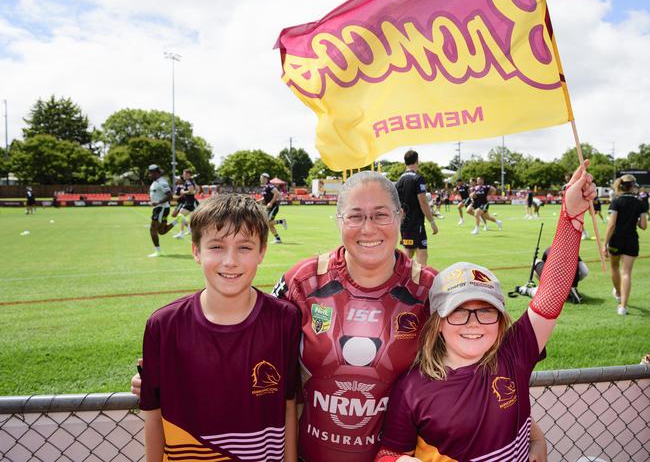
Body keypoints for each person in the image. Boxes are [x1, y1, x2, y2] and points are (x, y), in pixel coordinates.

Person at [132, 171, 548, 462]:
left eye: (381, 214)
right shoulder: (300, 281)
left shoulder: (430, 290)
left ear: (400, 217)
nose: (369, 227)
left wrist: (526, 432)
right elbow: (252, 337)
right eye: (355, 215)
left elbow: (486, 365)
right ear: (338, 221)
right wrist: (169, 373)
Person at [374, 163, 595, 462]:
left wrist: (571, 215)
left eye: (485, 311)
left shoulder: (513, 353)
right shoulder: (412, 387)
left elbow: (551, 295)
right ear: (437, 323)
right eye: (459, 312)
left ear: (501, 319)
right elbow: (389, 452)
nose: (473, 324)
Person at [139, 194, 301, 462]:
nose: (230, 261)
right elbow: (153, 416)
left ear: (262, 252)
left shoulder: (285, 320)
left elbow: (289, 405)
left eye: (245, 248)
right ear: (196, 251)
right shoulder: (163, 326)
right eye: (216, 246)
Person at [603, 174, 648, 315]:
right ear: (633, 186)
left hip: (616, 240)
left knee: (614, 268)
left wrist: (604, 244)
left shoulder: (616, 202)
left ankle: (618, 293)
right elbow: (643, 226)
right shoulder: (640, 203)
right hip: (631, 240)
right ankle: (623, 306)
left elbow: (611, 225)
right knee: (626, 273)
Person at [395, 150, 438, 266]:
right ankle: (419, 282)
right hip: (416, 223)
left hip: (404, 223)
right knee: (421, 255)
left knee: (409, 253)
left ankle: (403, 280)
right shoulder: (418, 178)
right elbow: (423, 202)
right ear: (417, 160)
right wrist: (432, 222)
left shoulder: (399, 180)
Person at [147, 164, 176, 257]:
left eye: (150, 173)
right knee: (162, 231)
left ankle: (158, 251)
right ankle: (178, 220)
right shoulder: (155, 182)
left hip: (161, 208)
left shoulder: (162, 182)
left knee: (152, 229)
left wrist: (158, 203)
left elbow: (170, 196)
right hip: (159, 208)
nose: (149, 175)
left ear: (156, 173)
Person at [259, 172, 287, 244]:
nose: (260, 179)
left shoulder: (270, 186)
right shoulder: (265, 187)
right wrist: (256, 201)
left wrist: (271, 203)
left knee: (267, 223)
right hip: (269, 208)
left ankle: (281, 221)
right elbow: (264, 198)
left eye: (261, 178)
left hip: (273, 207)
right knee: (269, 224)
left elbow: (277, 193)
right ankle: (278, 238)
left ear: (265, 178)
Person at [172, 169, 200, 239]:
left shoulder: (188, 181)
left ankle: (187, 230)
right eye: (183, 174)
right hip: (188, 202)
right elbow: (197, 189)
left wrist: (183, 192)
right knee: (181, 216)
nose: (183, 175)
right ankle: (184, 231)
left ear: (188, 175)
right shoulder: (189, 181)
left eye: (184, 174)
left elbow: (191, 191)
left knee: (180, 216)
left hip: (191, 203)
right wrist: (194, 192)